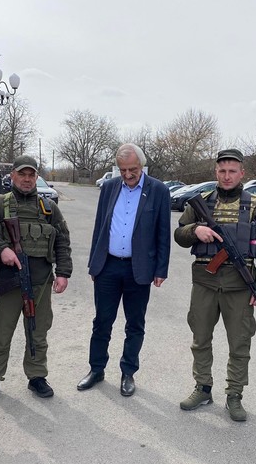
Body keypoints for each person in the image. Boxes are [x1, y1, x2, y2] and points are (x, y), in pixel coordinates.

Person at [174, 148, 256, 422]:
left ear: (242, 173)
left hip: (240, 287)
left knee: (240, 344)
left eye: (232, 171)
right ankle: (203, 388)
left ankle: (234, 395)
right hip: (205, 284)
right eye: (222, 171)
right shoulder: (201, 202)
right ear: (216, 172)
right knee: (200, 339)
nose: (227, 176)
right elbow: (180, 234)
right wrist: (195, 230)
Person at [77, 144, 171, 396]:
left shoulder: (158, 190)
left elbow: (163, 232)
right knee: (102, 321)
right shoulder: (109, 187)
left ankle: (128, 372)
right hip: (107, 266)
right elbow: (100, 226)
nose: (128, 175)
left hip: (138, 269)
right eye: (123, 170)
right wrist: (94, 263)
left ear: (142, 166)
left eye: (132, 169)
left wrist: (161, 269)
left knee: (135, 324)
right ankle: (96, 369)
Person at [0, 155, 72, 403]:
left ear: (36, 177)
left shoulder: (48, 208)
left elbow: (62, 241)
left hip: (41, 283)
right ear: (13, 176)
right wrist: (1, 249)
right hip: (8, 283)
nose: (27, 179)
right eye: (22, 174)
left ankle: (37, 377)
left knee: (38, 333)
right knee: (0, 332)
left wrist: (63, 273)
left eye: (31, 175)